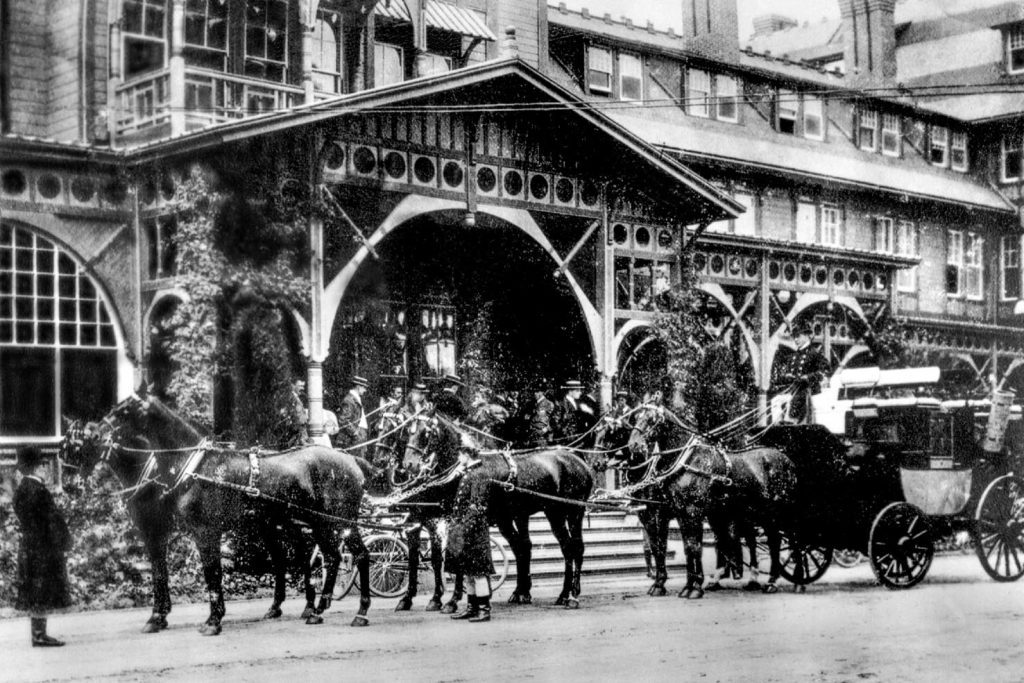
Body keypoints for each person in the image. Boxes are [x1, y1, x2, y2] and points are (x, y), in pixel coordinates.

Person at [13, 446, 71, 647]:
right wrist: (63, 542)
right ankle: (39, 635)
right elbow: (51, 520)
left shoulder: (22, 489)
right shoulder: (38, 490)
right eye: (43, 466)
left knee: (37, 590)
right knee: (41, 590)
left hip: (30, 545)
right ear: (36, 468)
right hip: (43, 547)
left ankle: (38, 633)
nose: (45, 469)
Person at [773, 322, 831, 424]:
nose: (795, 340)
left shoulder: (814, 354)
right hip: (795, 391)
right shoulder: (793, 356)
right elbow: (787, 373)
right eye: (794, 337)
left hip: (809, 391)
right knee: (776, 400)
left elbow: (825, 371)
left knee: (796, 402)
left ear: (807, 336)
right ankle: (777, 425)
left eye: (798, 336)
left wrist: (808, 377)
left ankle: (791, 422)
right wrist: (787, 376)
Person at [337, 375, 370, 453]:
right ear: (358, 387)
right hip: (353, 439)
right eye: (364, 387)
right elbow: (343, 419)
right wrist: (355, 432)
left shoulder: (356, 398)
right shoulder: (349, 400)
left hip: (360, 435)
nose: (365, 390)